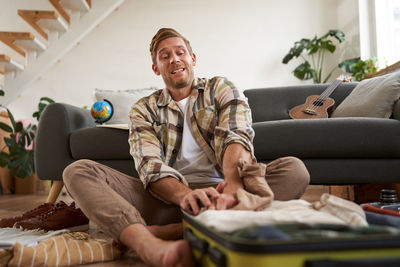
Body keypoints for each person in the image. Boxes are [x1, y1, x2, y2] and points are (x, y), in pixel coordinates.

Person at [63, 28, 310, 267]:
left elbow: (236, 136)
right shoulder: (143, 109)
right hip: (168, 200)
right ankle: (150, 245)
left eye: (180, 52)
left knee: (294, 169)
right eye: (165, 56)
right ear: (155, 68)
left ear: (192, 58)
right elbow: (150, 165)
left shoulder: (220, 88)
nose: (174, 59)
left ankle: (174, 231)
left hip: (225, 192)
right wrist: (185, 195)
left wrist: (232, 190)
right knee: (78, 171)